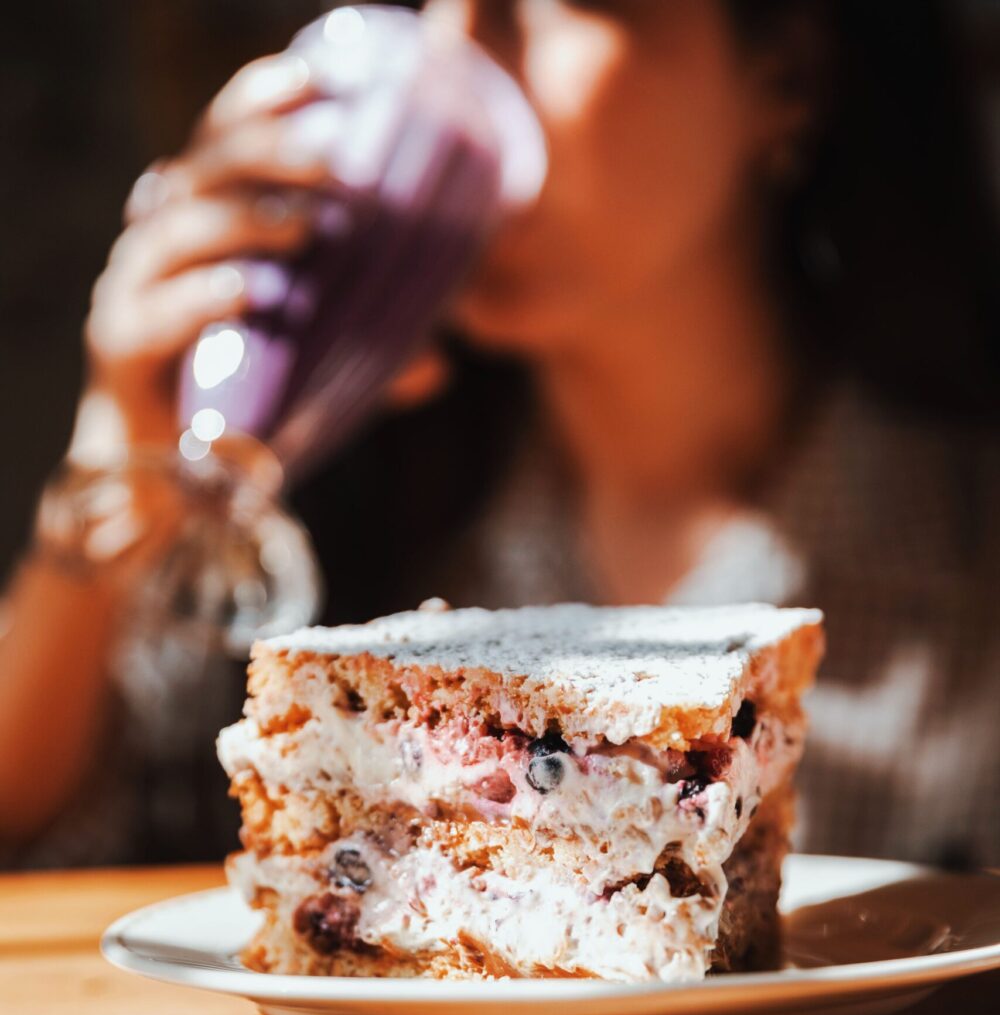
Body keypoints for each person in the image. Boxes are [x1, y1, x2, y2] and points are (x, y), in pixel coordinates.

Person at [0, 0, 997, 867]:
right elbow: (39, 833)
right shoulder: (341, 516)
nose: (460, 54)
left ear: (785, 75)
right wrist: (123, 429)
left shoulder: (961, 546)